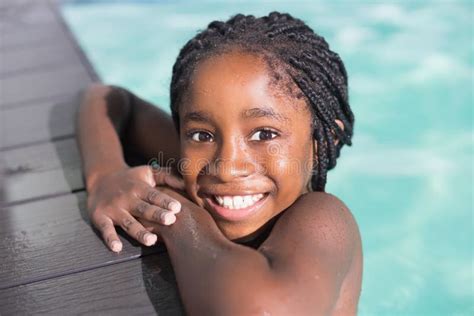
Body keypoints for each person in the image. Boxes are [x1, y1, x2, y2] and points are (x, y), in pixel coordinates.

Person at [77, 12, 362, 315]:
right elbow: (108, 98)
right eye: (201, 134)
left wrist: (174, 214)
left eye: (264, 134)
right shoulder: (200, 163)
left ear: (325, 139)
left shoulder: (325, 219)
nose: (226, 167)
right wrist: (105, 176)